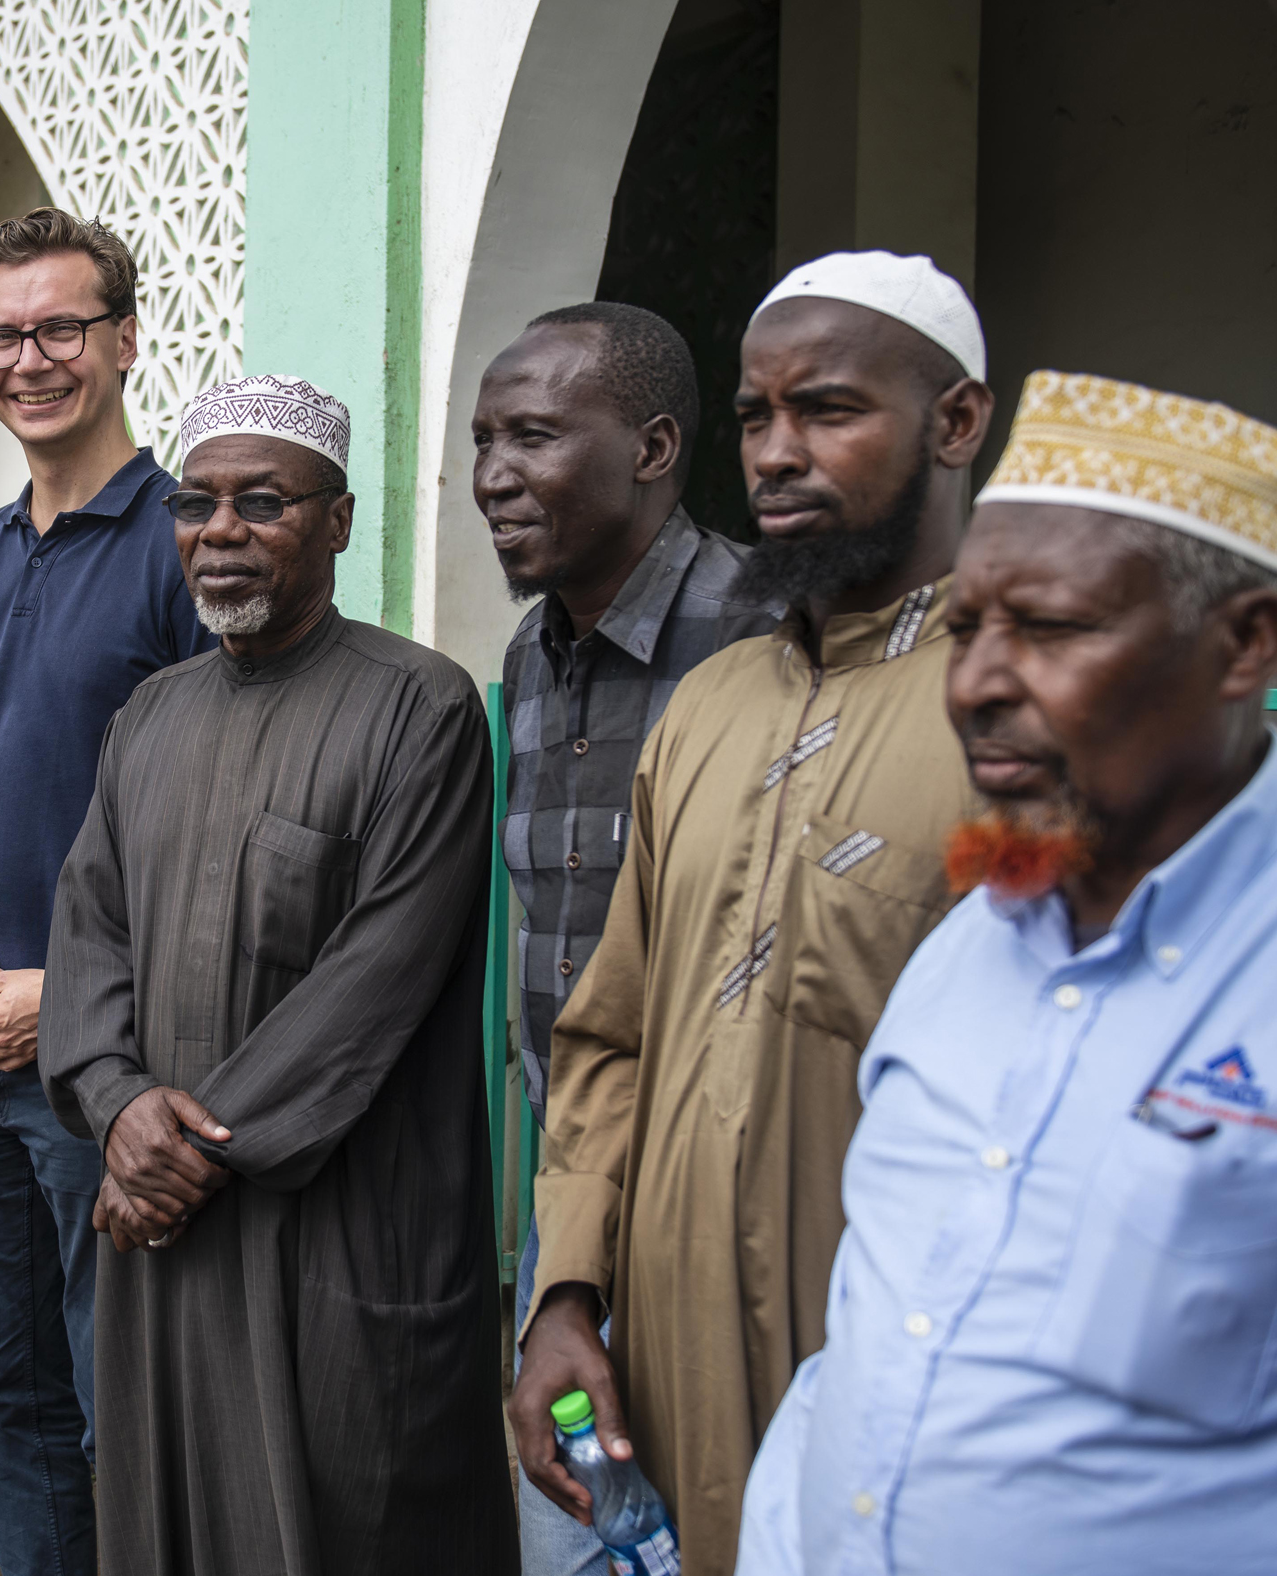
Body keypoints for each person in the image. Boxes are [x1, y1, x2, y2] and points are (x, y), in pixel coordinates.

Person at [738, 372, 1277, 1573]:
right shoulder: (966, 945)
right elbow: (874, 1343)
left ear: (1244, 643)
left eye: (1052, 628)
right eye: (969, 627)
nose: (976, 685)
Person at [511, 252, 996, 1575]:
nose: (777, 454)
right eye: (755, 416)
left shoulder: (1024, 713)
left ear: (955, 421)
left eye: (828, 410)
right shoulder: (710, 707)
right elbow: (607, 1036)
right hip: (662, 1375)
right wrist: (563, 1298)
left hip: (914, 1387)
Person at [44, 375, 517, 1575]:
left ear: (341, 519)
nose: (222, 531)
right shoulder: (145, 717)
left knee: (348, 1518)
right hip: (157, 1220)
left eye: (264, 500)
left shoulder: (420, 709)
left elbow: (376, 978)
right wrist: (111, 1103)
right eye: (195, 504)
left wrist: (179, 1147)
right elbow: (88, 930)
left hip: (334, 1234)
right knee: (165, 1521)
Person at [0, 206, 211, 1576]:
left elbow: (213, 825)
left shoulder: (183, 544)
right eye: (3, 336)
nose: (29, 359)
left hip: (100, 1064)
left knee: (120, 1403)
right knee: (8, 1401)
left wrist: (64, 995)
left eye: (59, 329)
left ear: (123, 340)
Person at [478, 301, 779, 1574]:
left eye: (534, 436)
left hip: (735, 1208)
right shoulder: (536, 650)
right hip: (573, 1207)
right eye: (485, 439)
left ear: (652, 448)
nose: (494, 475)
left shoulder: (768, 639)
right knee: (581, 1537)